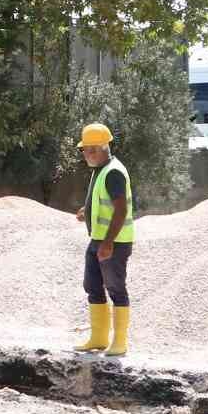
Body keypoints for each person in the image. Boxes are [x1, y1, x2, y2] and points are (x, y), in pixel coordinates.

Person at [72, 123, 135, 356]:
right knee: (92, 286)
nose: (86, 154)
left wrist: (108, 242)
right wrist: (86, 212)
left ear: (102, 147)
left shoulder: (114, 172)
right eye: (84, 150)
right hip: (98, 239)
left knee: (116, 288)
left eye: (90, 149)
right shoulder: (101, 169)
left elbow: (120, 210)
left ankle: (119, 342)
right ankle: (99, 338)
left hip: (114, 243)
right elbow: (104, 202)